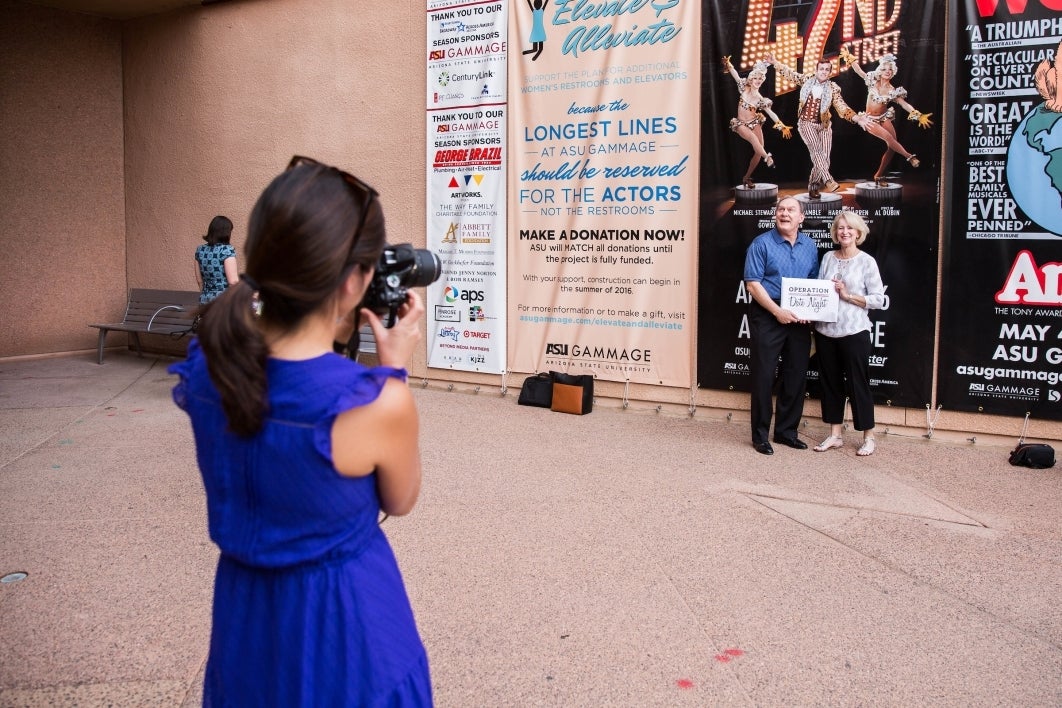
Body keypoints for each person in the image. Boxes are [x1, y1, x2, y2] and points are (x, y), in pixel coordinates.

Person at [169, 156, 432, 705]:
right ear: (356, 281)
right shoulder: (374, 399)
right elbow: (400, 499)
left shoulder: (203, 370)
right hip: (349, 630)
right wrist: (393, 373)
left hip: (245, 621)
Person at [744, 196, 820, 455]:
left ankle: (787, 433)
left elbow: (812, 283)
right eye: (780, 209)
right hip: (768, 314)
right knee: (764, 376)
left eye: (790, 210)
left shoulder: (810, 246)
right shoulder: (761, 244)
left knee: (795, 375)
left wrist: (810, 311)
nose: (784, 213)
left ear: (801, 217)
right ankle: (760, 436)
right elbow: (753, 284)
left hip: (798, 318)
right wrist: (777, 311)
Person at [812, 210, 886, 457]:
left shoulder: (866, 261)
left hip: (854, 331)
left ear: (858, 232)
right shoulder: (827, 259)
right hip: (826, 332)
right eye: (840, 228)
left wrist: (848, 296)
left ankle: (868, 436)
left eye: (849, 228)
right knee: (830, 384)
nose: (844, 232)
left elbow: (879, 299)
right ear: (835, 232)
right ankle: (835, 435)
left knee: (858, 384)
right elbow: (821, 292)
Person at [767, 54, 861, 198]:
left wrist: (856, 117)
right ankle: (828, 179)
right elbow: (790, 74)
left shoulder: (833, 88)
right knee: (816, 151)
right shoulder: (807, 80)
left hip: (824, 126)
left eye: (827, 70)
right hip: (806, 123)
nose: (823, 71)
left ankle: (813, 186)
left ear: (830, 72)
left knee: (825, 158)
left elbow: (841, 106)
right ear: (816, 70)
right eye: (821, 69)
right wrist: (775, 62)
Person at [840, 47, 933, 186]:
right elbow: (859, 71)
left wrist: (918, 114)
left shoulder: (893, 91)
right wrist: (850, 58)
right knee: (890, 139)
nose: (887, 72)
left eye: (890, 69)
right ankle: (910, 157)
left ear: (893, 72)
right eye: (884, 69)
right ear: (880, 70)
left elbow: (904, 104)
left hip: (884, 118)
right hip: (869, 120)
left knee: (891, 147)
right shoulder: (872, 81)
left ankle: (878, 175)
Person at [722, 56, 793, 188]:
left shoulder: (760, 98)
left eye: (761, 79)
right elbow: (736, 75)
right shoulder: (743, 87)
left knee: (757, 151)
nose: (758, 81)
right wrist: (729, 64)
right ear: (751, 78)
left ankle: (746, 177)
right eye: (756, 78)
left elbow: (771, 113)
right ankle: (768, 157)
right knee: (754, 140)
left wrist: (781, 126)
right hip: (741, 124)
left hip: (754, 122)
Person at [194, 215, 239, 304]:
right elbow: (233, 282)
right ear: (226, 232)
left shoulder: (200, 250)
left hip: (205, 300)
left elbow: (199, 281)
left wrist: (207, 296)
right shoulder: (226, 250)